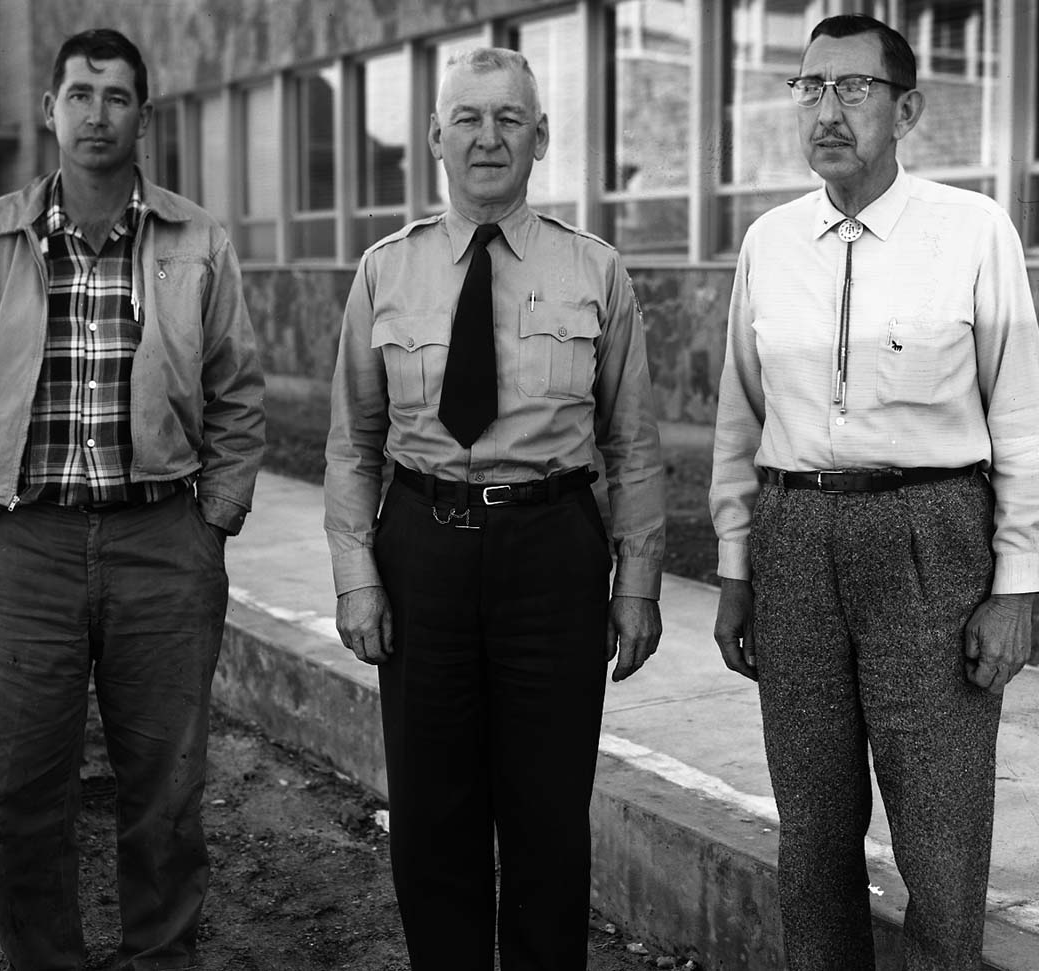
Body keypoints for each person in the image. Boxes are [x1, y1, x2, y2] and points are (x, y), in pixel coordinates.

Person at [710, 14, 1039, 971]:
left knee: (940, 835)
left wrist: (1014, 585)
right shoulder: (769, 243)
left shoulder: (974, 231)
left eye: (853, 89)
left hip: (930, 538)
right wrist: (737, 568)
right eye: (811, 88)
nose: (828, 109)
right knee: (812, 828)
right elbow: (740, 418)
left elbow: (1020, 417)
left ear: (906, 109)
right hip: (793, 537)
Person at [323, 47, 665, 971]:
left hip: (551, 552)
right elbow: (353, 443)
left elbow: (632, 444)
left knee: (550, 812)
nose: (487, 137)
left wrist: (636, 584)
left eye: (509, 119)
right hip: (421, 553)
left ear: (541, 137)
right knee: (433, 814)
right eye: (467, 118)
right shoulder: (384, 273)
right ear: (434, 135)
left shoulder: (597, 271)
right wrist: (357, 578)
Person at [0, 28, 265, 971]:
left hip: (161, 542)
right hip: (26, 547)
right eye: (79, 94)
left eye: (116, 96)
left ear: (143, 116)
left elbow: (238, 391)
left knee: (165, 795)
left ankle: (160, 958)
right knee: (21, 795)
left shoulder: (197, 239)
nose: (96, 113)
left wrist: (212, 521)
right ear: (49, 109)